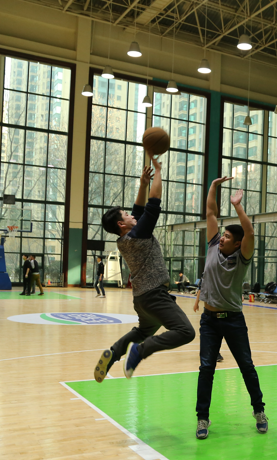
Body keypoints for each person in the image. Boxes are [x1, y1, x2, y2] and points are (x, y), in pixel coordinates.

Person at [94, 159, 195, 383]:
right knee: (185, 332)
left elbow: (138, 210)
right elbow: (153, 202)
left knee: (143, 330)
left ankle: (114, 352)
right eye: (126, 215)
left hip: (141, 298)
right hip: (154, 295)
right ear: (121, 224)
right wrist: (158, 171)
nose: (131, 215)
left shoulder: (126, 239)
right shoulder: (138, 235)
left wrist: (142, 184)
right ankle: (140, 350)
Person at [195, 176, 266, 440]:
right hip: (209, 321)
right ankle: (202, 418)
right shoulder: (213, 246)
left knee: (246, 366)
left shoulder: (242, 257)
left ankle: (259, 411)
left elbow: (250, 233)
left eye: (227, 236)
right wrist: (213, 187)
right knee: (206, 369)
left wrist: (238, 206)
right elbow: (210, 213)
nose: (222, 238)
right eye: (222, 235)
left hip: (234, 320)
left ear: (237, 243)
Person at [194, 276, 223, 363]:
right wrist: (196, 303)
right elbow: (200, 289)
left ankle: (216, 353)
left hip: (221, 310)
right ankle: (211, 353)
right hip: (209, 311)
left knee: (218, 333)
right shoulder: (206, 277)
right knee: (209, 334)